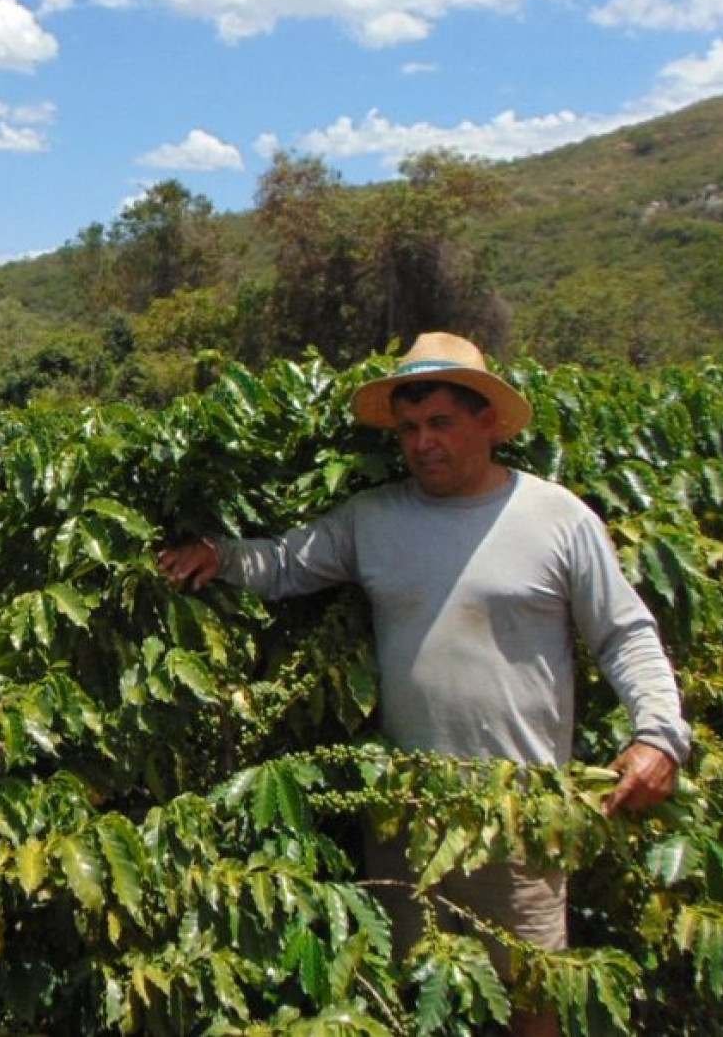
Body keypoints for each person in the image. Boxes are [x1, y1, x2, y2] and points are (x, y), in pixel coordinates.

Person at [156, 332, 689, 1037]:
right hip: (405, 809)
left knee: (532, 994)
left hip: (519, 813)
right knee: (414, 988)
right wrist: (216, 557)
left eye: (441, 423)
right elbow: (286, 563)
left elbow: (624, 632)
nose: (422, 443)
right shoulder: (373, 519)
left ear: (488, 422)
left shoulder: (556, 518)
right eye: (408, 428)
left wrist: (659, 735)